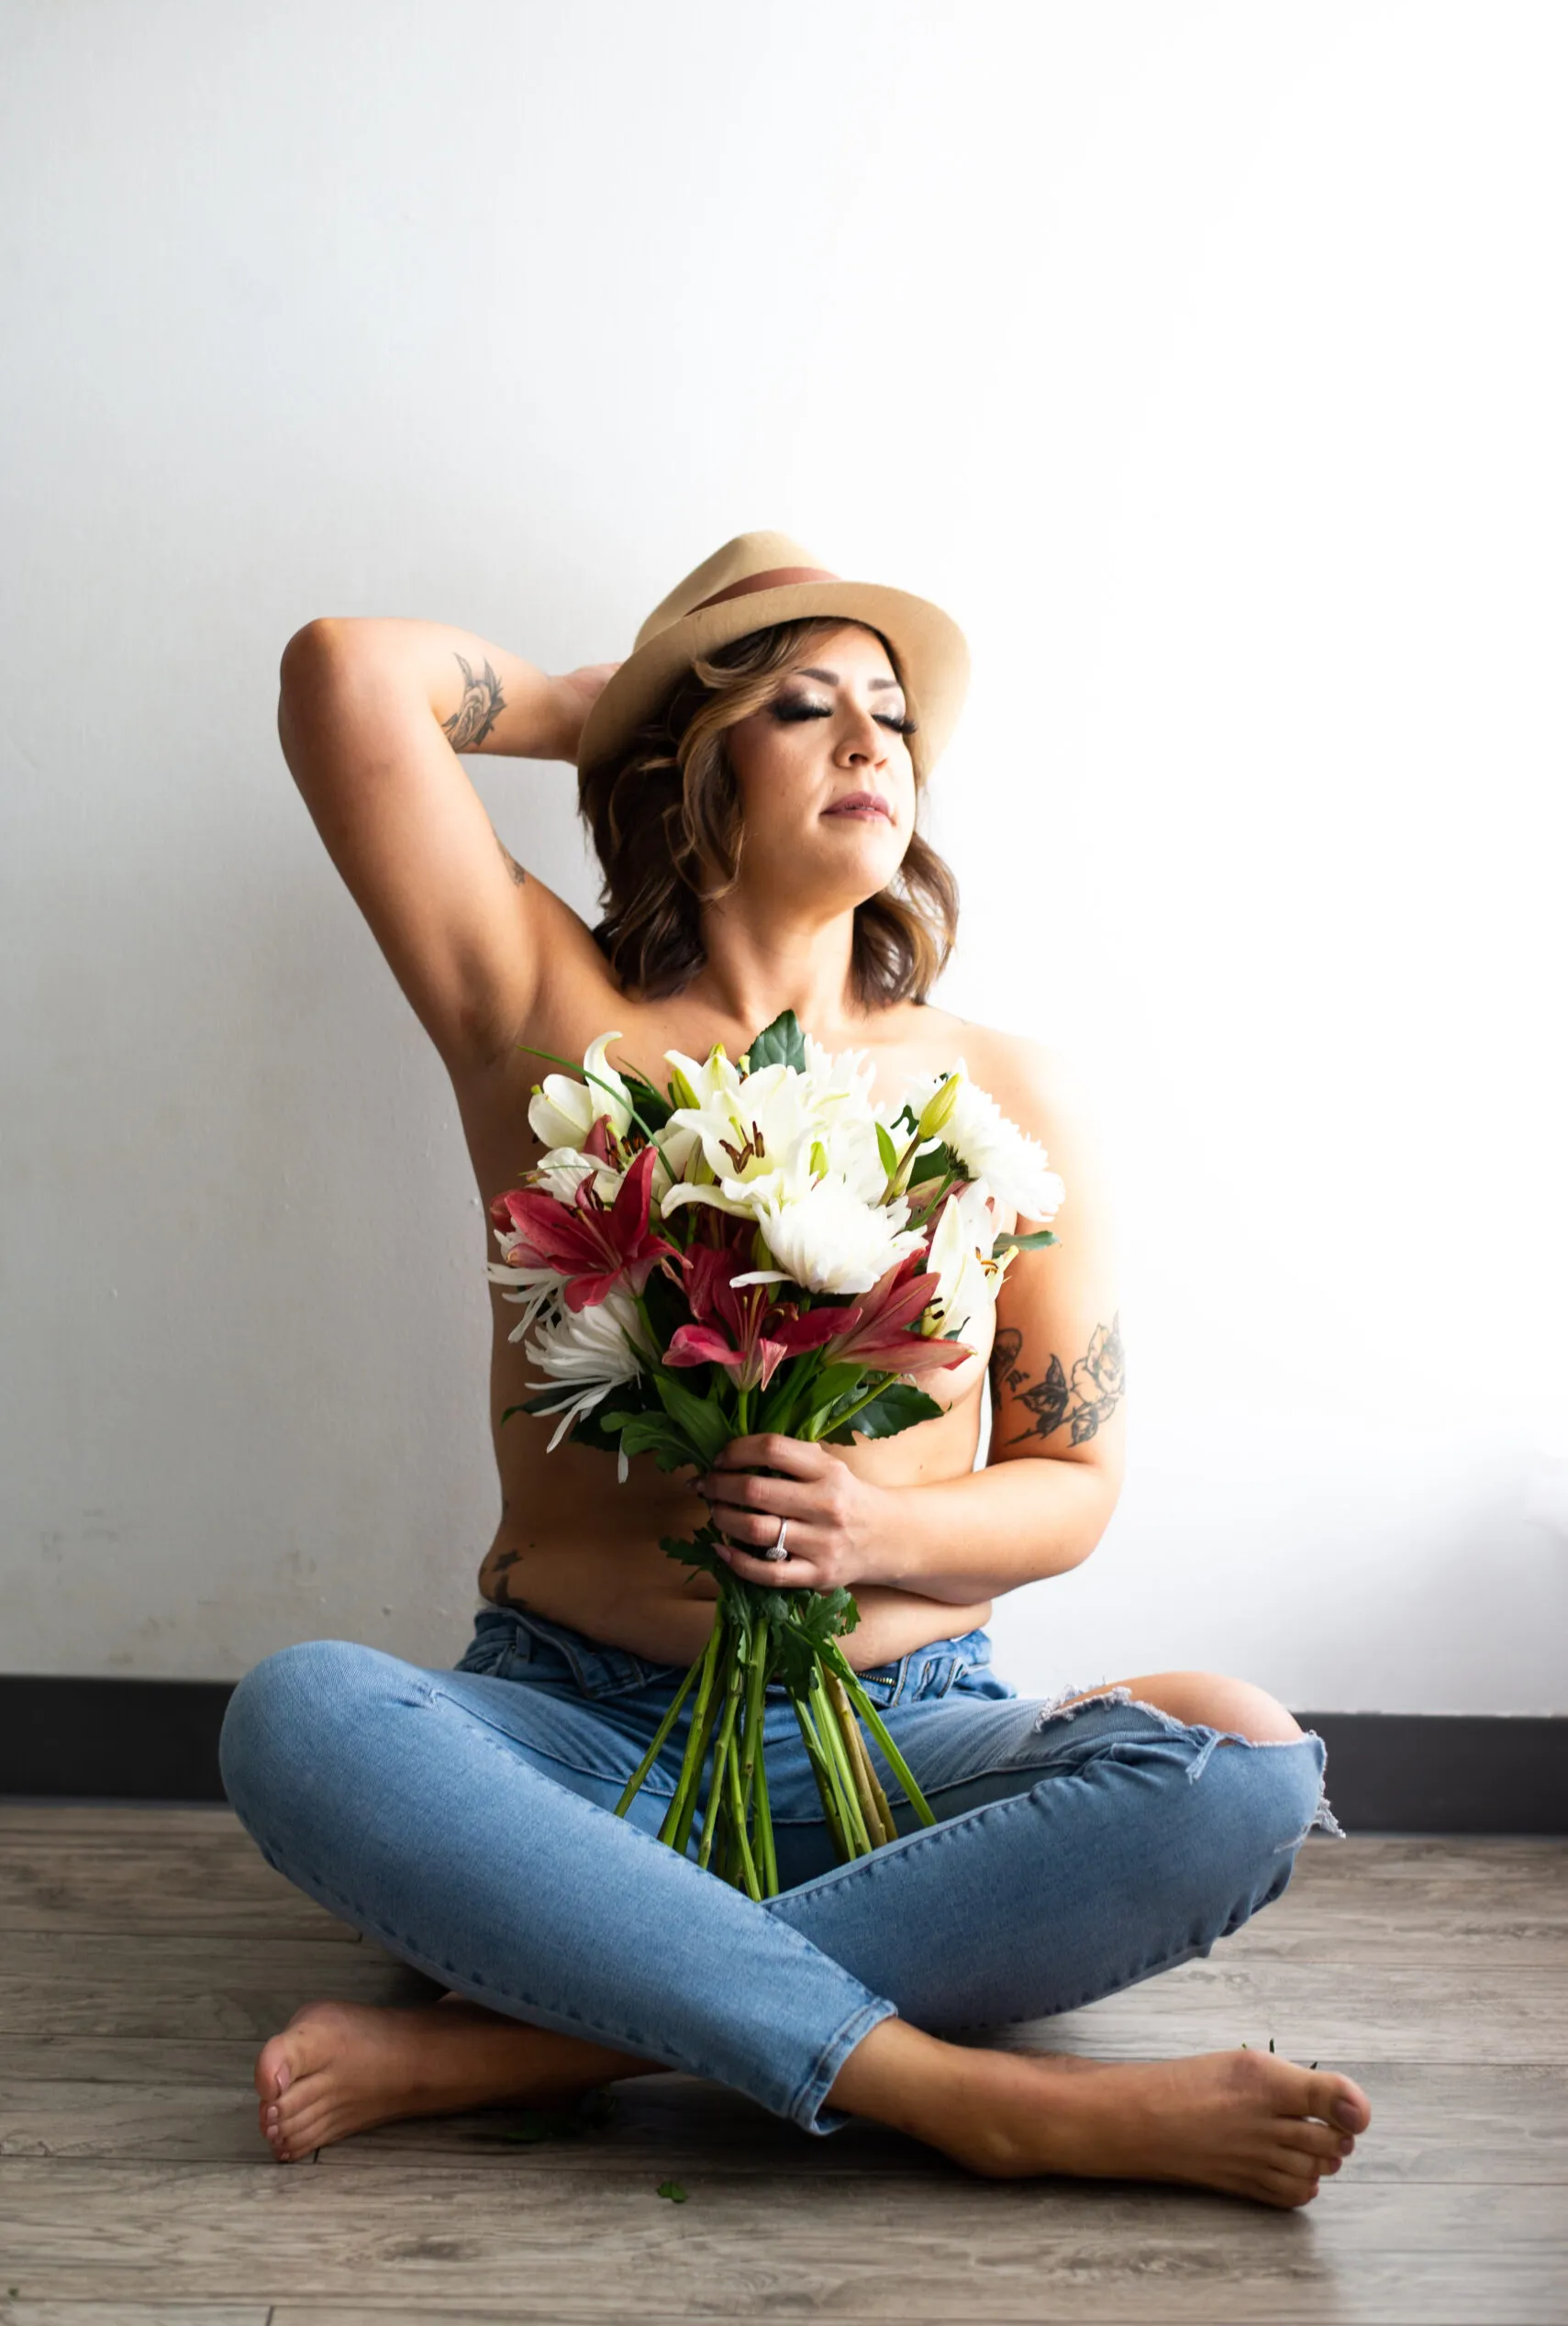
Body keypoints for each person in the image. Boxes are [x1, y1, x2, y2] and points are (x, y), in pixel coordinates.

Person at [219, 530, 1367, 2207]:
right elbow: (343, 673)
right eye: (801, 706)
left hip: (909, 1755)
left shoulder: (1007, 1098)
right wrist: (583, 709)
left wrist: (880, 1537)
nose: (869, 744)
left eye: (891, 719)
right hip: (576, 1742)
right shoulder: (550, 1018)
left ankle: (541, 2037)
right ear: (693, 773)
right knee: (301, 1716)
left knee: (1247, 1761)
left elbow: (1074, 1486)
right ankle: (971, 2100)